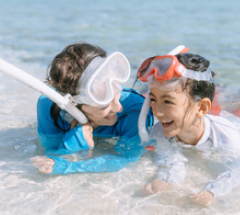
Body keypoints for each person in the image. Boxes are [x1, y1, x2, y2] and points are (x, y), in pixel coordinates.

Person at [137, 52, 240, 207]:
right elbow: (170, 159)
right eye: (153, 100)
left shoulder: (226, 135)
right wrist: (167, 181)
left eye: (168, 101)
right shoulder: (159, 130)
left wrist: (213, 191)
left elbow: (238, 169)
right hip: (198, 119)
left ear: (202, 107)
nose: (157, 111)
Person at [31, 43, 153, 175]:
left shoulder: (135, 112)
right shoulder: (48, 105)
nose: (119, 108)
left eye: (117, 90)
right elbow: (48, 154)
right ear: (74, 105)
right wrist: (73, 143)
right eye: (105, 105)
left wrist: (68, 167)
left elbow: (128, 159)